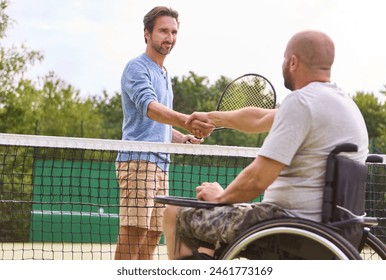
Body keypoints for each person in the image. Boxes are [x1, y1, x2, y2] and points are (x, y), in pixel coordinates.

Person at [162, 30, 369, 259]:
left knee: (174, 213)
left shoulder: (301, 102)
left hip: (286, 228)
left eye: (283, 58)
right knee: (213, 232)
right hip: (334, 233)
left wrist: (221, 198)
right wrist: (212, 118)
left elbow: (257, 179)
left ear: (293, 62)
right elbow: (259, 118)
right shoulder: (343, 105)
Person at [115, 6, 213, 260]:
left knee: (152, 234)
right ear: (147, 34)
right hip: (138, 161)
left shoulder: (164, 74)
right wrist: (186, 120)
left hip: (161, 164)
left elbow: (160, 127)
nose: (169, 37)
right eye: (163, 31)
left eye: (173, 32)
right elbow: (150, 109)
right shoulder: (137, 67)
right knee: (134, 232)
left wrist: (182, 137)